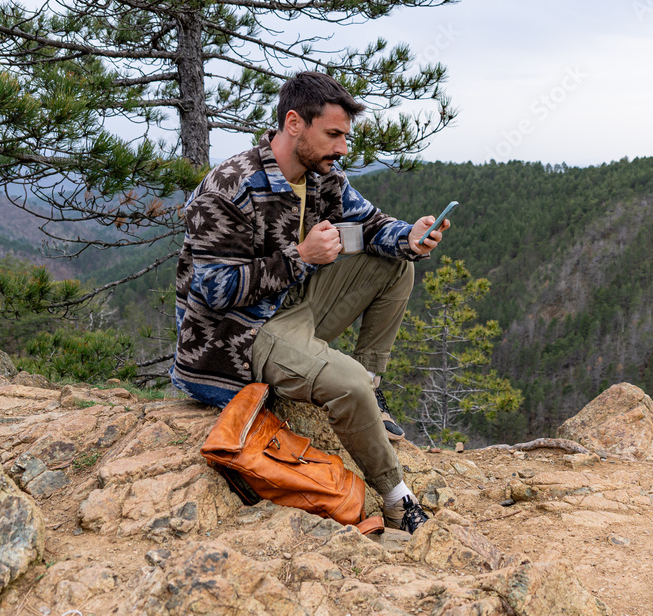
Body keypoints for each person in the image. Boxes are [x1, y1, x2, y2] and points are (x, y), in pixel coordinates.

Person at [170, 71, 449, 533]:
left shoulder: (323, 178)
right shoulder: (229, 187)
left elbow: (375, 227)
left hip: (293, 303)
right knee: (349, 384)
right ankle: (397, 498)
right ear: (294, 123)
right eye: (334, 135)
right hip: (240, 335)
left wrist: (412, 238)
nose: (342, 148)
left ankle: (370, 388)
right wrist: (299, 258)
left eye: (345, 137)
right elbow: (214, 291)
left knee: (398, 265)